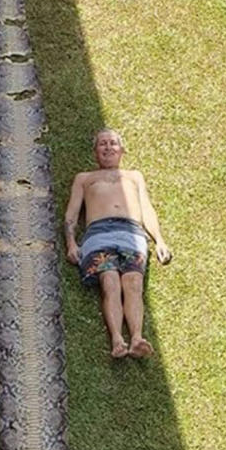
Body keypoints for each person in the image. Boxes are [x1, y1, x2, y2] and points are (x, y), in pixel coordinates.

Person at [64, 129, 172, 359]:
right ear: (95, 152)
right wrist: (71, 242)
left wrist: (159, 240)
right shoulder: (84, 179)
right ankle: (117, 340)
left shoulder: (134, 177)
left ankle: (136, 338)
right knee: (109, 280)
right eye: (102, 144)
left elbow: (146, 209)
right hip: (98, 235)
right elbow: (71, 214)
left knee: (133, 282)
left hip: (131, 233)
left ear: (122, 150)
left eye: (113, 143)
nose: (108, 147)